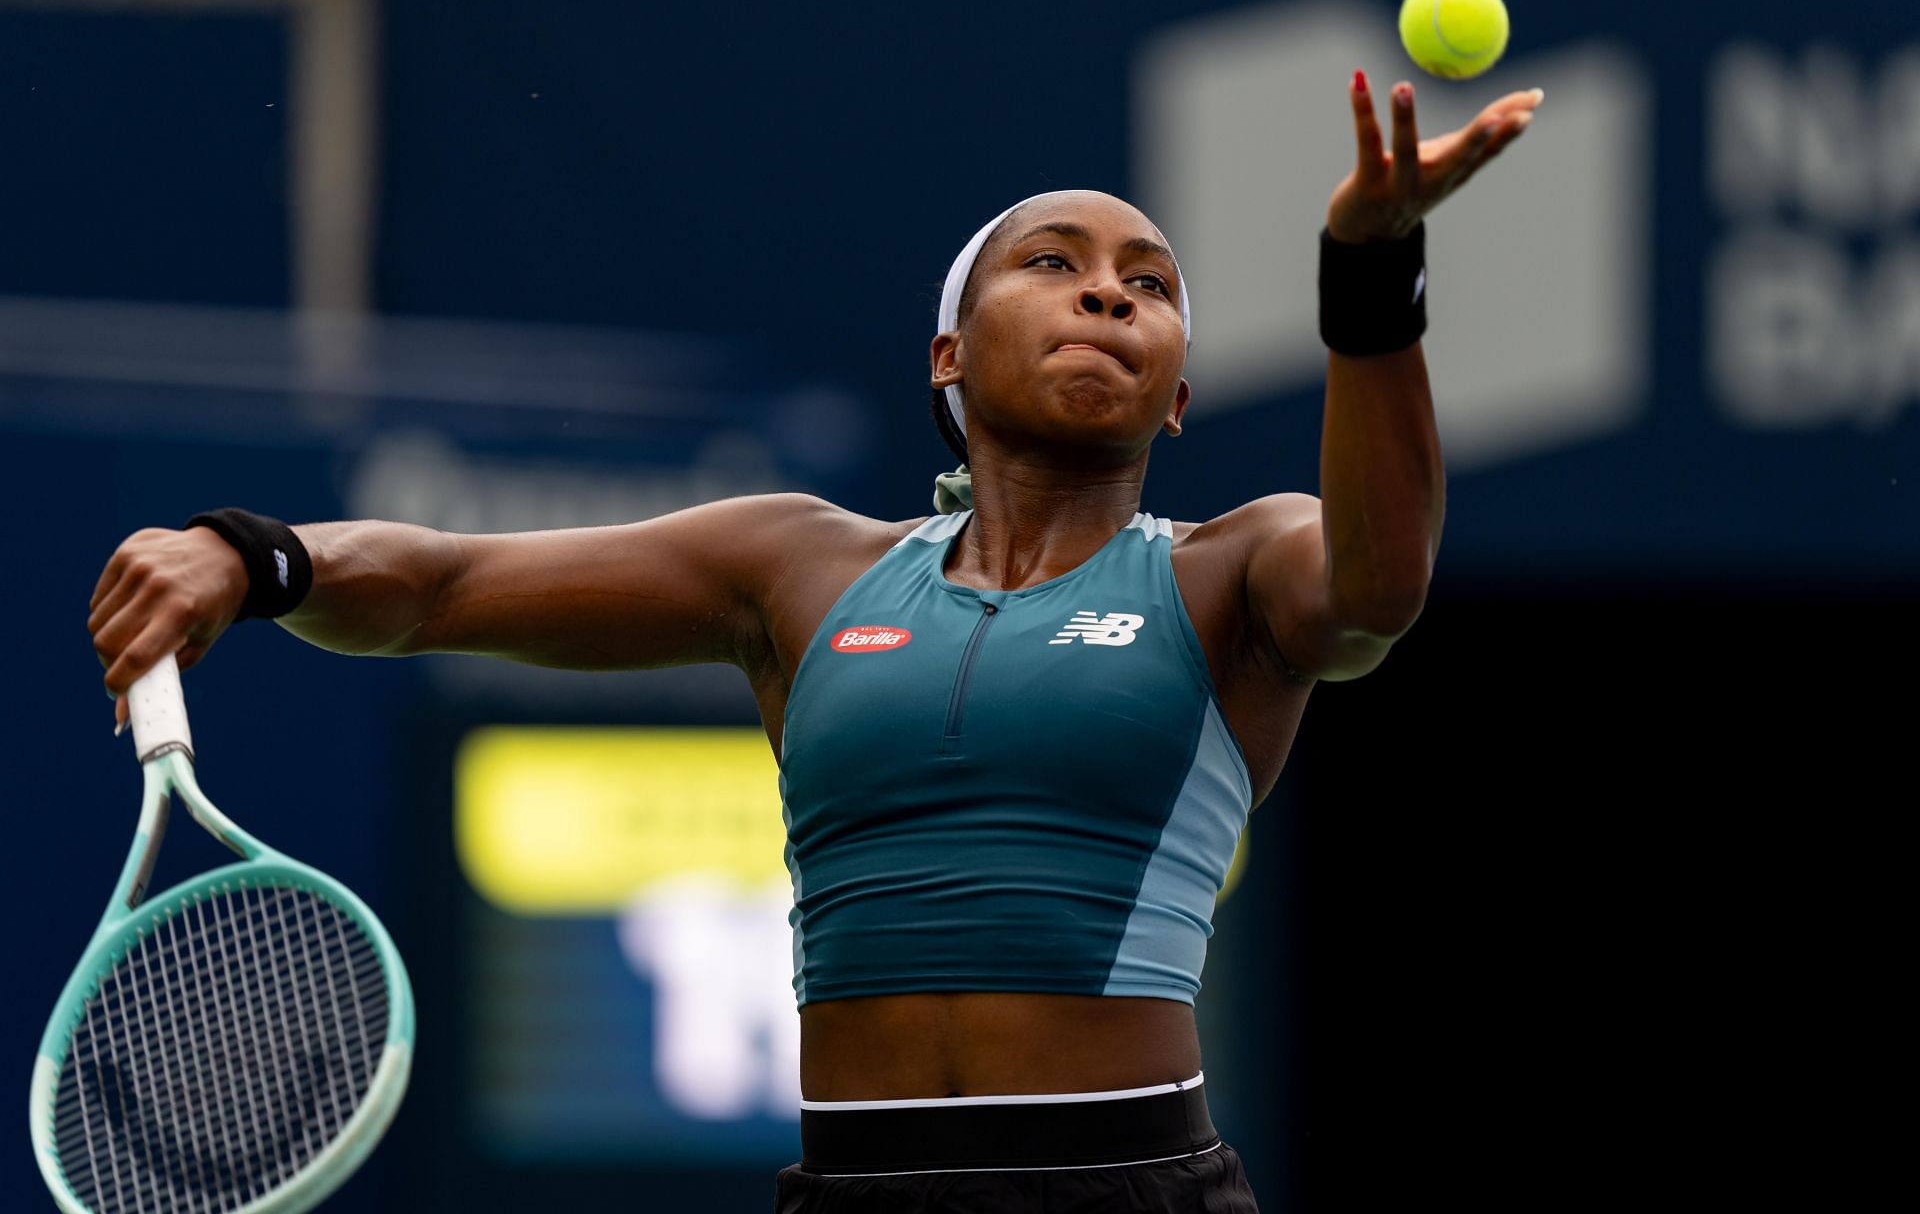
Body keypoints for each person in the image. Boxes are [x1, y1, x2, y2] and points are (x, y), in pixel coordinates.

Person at [89, 72, 1540, 1211]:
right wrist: (256, 552)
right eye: (1054, 261)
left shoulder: (1237, 571)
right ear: (948, 356)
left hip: (1133, 1187)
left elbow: (1378, 581)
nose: (1111, 289)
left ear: (1174, 401)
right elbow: (442, 585)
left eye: (1151, 284)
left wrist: (1370, 275)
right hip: (856, 1188)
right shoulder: (795, 568)